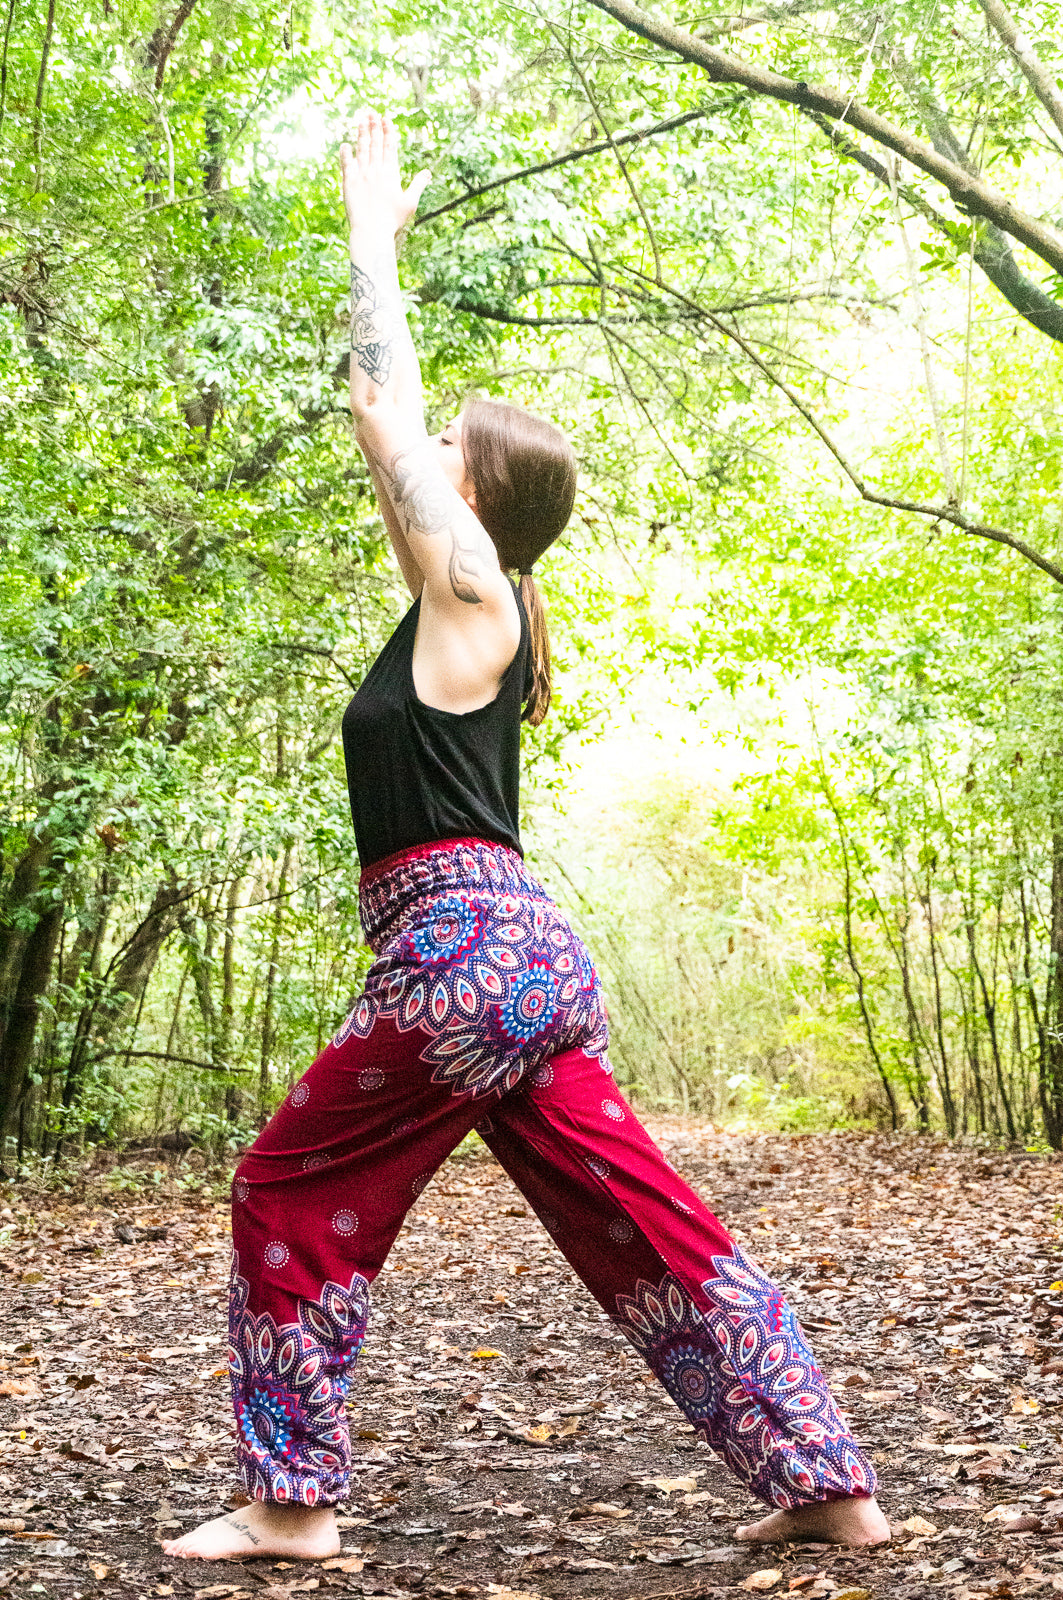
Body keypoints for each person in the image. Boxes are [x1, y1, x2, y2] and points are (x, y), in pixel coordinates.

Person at [163, 109, 890, 1564]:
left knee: (286, 1183)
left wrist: (374, 243)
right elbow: (384, 440)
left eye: (452, 451)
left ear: (482, 494)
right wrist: (389, 387)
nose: (425, 452)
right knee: (644, 1218)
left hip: (463, 956)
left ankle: (288, 1503)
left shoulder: (478, 585)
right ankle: (831, 1488)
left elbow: (382, 403)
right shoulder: (458, 599)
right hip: (518, 965)